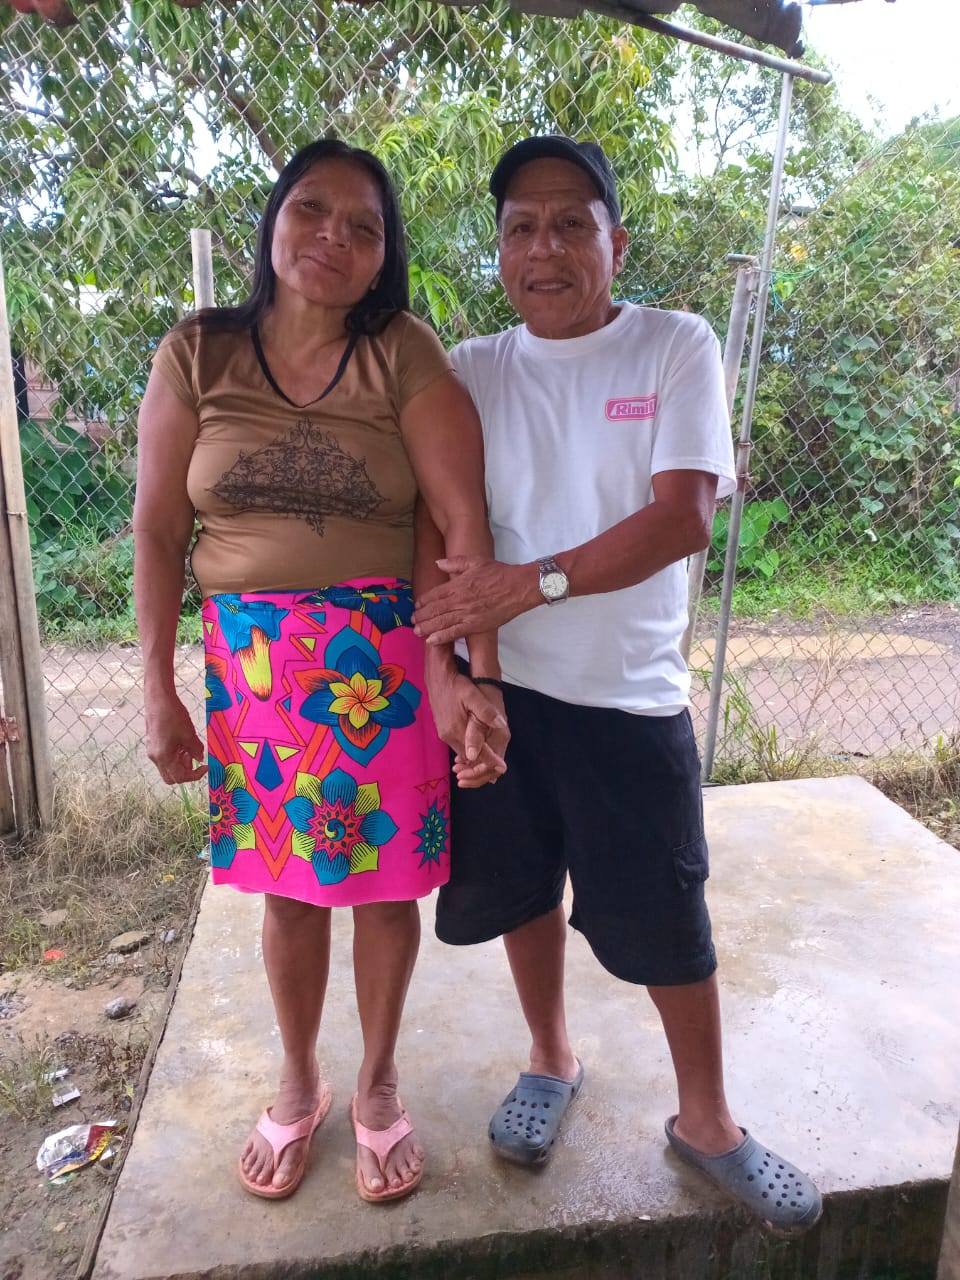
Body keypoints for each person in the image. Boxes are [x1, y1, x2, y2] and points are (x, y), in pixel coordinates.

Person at [413, 135, 822, 1232]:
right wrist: (451, 677)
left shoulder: (674, 345)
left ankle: (708, 1119)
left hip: (631, 697)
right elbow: (435, 522)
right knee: (521, 889)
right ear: (500, 249)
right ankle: (550, 1056)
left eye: (570, 224)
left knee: (667, 915)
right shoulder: (472, 368)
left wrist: (529, 583)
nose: (544, 248)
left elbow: (682, 516)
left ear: (616, 242)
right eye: (520, 227)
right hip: (507, 692)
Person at [133, 138, 507, 1206]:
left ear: (385, 255)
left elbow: (461, 520)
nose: (333, 237)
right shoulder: (197, 352)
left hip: (381, 667)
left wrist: (470, 674)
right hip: (253, 674)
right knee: (291, 896)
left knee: (383, 893)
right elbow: (156, 530)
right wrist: (158, 686)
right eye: (311, 209)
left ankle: (378, 1080)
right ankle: (299, 1078)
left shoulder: (403, 351)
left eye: (364, 226)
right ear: (273, 221)